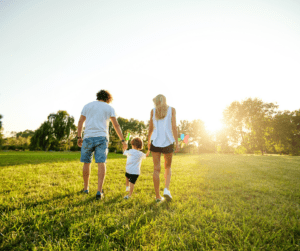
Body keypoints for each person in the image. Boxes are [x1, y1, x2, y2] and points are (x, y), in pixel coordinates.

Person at [77, 90, 128, 200]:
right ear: (108, 98)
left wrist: (79, 137)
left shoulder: (87, 106)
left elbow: (80, 122)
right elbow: (116, 125)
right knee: (101, 162)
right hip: (102, 137)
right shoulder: (109, 108)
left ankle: (86, 189)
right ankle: (99, 191)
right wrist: (123, 140)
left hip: (88, 137)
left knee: (86, 163)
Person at [147, 94, 180, 202]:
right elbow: (174, 127)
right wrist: (177, 143)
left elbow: (151, 128)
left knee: (156, 169)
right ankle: (166, 189)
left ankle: (157, 197)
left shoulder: (153, 111)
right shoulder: (172, 110)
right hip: (168, 141)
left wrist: (148, 141)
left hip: (155, 141)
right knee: (168, 167)